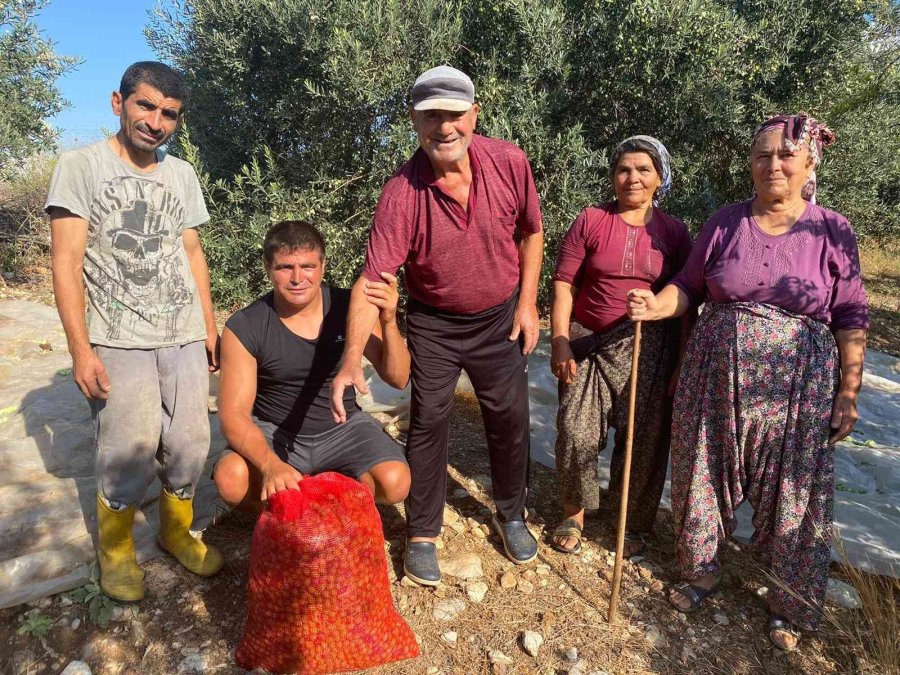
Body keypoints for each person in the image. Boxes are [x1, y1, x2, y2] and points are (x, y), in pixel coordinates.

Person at [626, 114, 868, 650]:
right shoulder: (725, 222)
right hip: (715, 374)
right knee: (701, 468)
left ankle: (789, 599)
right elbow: (689, 286)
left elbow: (851, 315)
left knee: (795, 490)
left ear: (809, 163)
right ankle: (701, 572)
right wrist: (655, 304)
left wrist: (848, 391)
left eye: (785, 154)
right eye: (762, 154)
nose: (772, 164)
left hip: (797, 386)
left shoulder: (833, 229)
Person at [330, 65, 544, 586]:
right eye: (431, 117)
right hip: (434, 324)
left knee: (510, 417)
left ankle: (511, 514)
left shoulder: (509, 162)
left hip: (498, 318)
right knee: (428, 420)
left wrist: (527, 304)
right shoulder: (401, 193)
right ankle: (423, 532)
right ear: (414, 121)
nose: (444, 127)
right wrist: (350, 359)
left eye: (454, 114)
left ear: (475, 114)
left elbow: (532, 232)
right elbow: (372, 280)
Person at [46, 62, 223, 602]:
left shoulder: (181, 174)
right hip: (117, 335)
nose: (156, 121)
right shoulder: (81, 166)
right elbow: (66, 262)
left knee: (191, 442)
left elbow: (193, 252)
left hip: (182, 332)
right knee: (129, 447)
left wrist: (209, 325)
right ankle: (117, 548)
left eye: (170, 113)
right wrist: (81, 350)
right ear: (118, 102)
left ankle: (175, 531)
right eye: (146, 105)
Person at [549, 136, 692, 557]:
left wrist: (682, 362)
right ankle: (574, 513)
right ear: (613, 176)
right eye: (624, 169)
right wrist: (560, 341)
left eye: (644, 169)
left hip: (649, 348)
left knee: (643, 442)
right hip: (588, 343)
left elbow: (687, 297)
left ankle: (630, 523)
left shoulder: (674, 233)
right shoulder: (591, 219)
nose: (633, 177)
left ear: (660, 178)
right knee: (575, 431)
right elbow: (564, 283)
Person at [213, 221, 411, 509]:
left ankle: (322, 501)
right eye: (285, 267)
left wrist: (389, 320)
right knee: (231, 480)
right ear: (268, 267)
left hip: (343, 430)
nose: (297, 278)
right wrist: (270, 465)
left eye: (307, 266)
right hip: (275, 432)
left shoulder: (349, 308)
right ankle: (285, 512)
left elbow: (399, 378)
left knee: (395, 482)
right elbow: (233, 414)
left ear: (323, 266)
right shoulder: (245, 326)